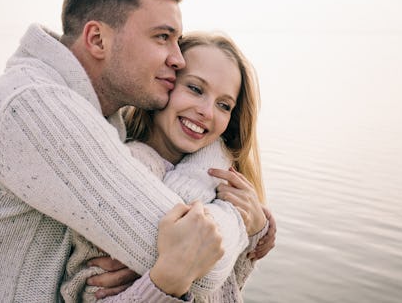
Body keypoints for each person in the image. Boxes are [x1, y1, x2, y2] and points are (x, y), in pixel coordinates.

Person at [0, 0, 270, 302]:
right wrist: (244, 220)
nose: (178, 58)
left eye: (177, 39)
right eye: (162, 37)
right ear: (98, 40)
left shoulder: (94, 117)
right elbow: (202, 264)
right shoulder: (38, 110)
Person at [60, 31, 272, 303]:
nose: (207, 111)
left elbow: (228, 291)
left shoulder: (221, 177)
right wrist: (160, 280)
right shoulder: (120, 173)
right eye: (195, 89)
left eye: (224, 105)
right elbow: (87, 292)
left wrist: (256, 231)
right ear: (164, 83)